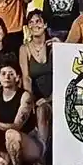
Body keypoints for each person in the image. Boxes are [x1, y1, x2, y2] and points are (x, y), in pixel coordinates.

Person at [18, 10, 55, 146]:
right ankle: (41, 157)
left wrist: (49, 98)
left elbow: (61, 76)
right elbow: (26, 77)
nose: (34, 25)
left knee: (43, 108)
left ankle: (42, 157)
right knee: (39, 110)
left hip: (54, 94)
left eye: (38, 21)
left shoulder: (54, 46)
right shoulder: (24, 49)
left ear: (45, 25)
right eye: (31, 22)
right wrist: (30, 100)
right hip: (36, 96)